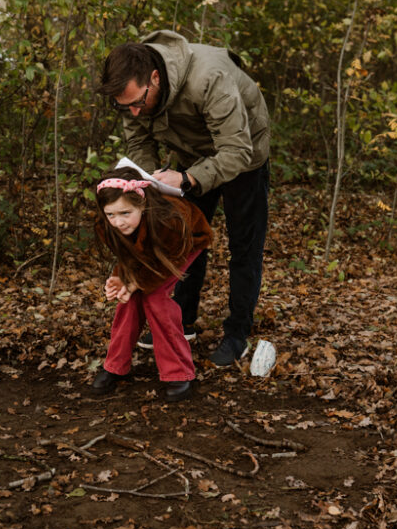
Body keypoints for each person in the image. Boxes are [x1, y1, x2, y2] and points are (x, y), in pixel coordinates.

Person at [98, 30, 270, 367]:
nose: (133, 112)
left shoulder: (210, 78)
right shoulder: (131, 92)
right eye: (124, 106)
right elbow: (139, 143)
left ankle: (237, 334)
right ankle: (183, 319)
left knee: (244, 245)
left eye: (137, 103)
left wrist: (189, 179)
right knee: (182, 235)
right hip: (191, 155)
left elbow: (236, 150)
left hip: (244, 155)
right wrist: (146, 182)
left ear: (155, 78)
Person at [91, 167, 213, 401]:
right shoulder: (106, 225)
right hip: (152, 250)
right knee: (129, 299)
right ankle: (116, 365)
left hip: (184, 244)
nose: (118, 222)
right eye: (111, 214)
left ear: (142, 205)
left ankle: (179, 371)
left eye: (125, 213)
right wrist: (121, 277)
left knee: (155, 297)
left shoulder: (170, 220)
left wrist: (136, 281)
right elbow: (129, 255)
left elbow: (167, 260)